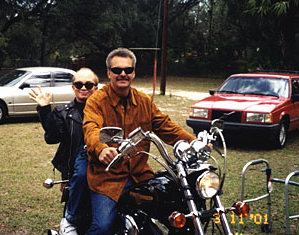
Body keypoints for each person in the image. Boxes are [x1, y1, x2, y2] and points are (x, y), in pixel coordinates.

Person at [83, 48, 197, 234]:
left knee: (174, 212)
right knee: (102, 227)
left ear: (133, 73)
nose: (122, 74)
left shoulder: (143, 101)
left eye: (128, 70)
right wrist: (101, 148)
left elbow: (166, 126)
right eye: (117, 70)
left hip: (140, 175)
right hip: (108, 178)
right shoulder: (97, 100)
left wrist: (195, 143)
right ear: (109, 73)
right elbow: (91, 128)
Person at [29, 67, 99, 235]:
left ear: (96, 87)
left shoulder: (105, 111)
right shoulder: (64, 112)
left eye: (88, 85)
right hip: (73, 171)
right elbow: (52, 137)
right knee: (75, 217)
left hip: (101, 170)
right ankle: (68, 222)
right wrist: (44, 109)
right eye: (79, 84)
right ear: (73, 87)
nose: (83, 88)